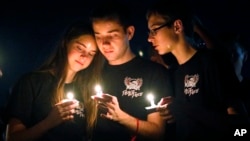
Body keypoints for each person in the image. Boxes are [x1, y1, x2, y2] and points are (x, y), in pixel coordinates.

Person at [146, 0, 249, 140]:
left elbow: (242, 129)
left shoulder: (212, 63)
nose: (149, 38)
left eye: (154, 30)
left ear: (177, 26)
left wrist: (183, 108)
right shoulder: (176, 73)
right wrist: (174, 112)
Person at [4, 19, 104, 141]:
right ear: (65, 43)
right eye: (79, 48)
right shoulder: (31, 82)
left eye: (91, 53)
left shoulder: (87, 91)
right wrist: (49, 122)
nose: (84, 56)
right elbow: (12, 138)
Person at [89, 1, 173, 141]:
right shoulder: (92, 72)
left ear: (129, 32)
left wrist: (121, 117)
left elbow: (158, 132)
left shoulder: (153, 73)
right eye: (98, 36)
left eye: (112, 35)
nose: (104, 43)